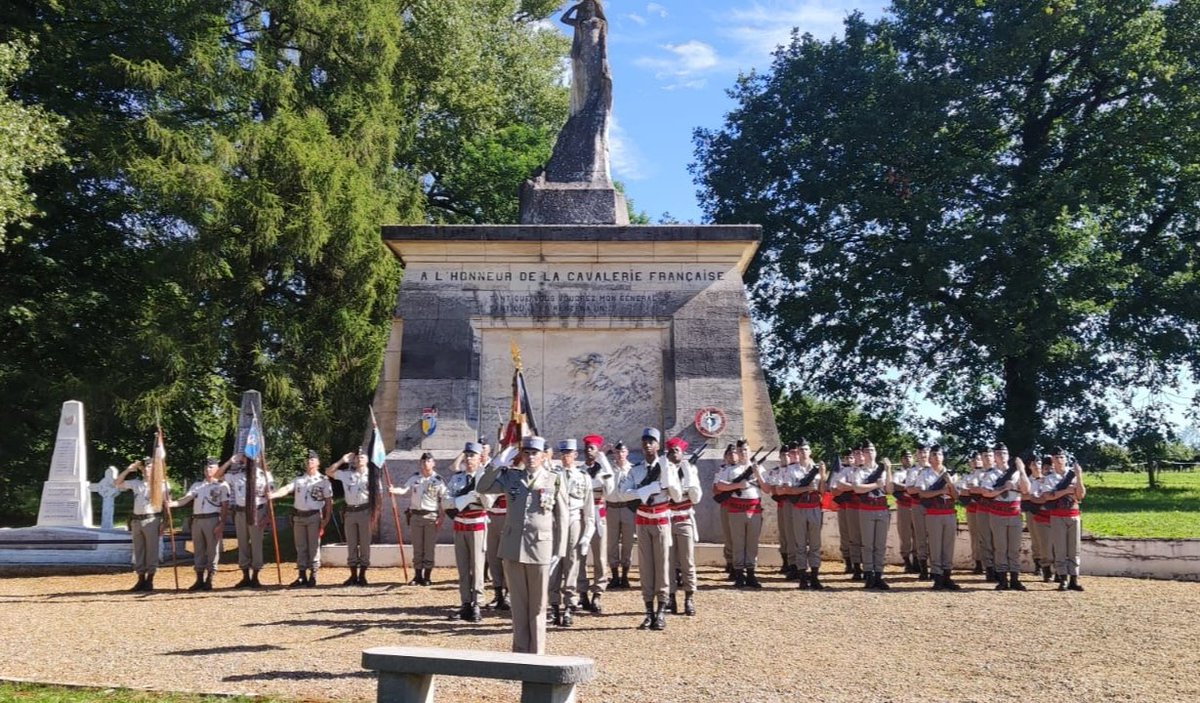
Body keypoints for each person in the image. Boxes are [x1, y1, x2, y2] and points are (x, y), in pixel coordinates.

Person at [476, 436, 569, 654]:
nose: (530, 457)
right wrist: (497, 462)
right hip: (513, 546)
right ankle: (519, 652)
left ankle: (537, 653)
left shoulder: (553, 479)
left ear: (543, 455)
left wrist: (560, 550)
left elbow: (562, 516)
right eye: (526, 453)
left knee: (537, 606)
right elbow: (482, 486)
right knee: (518, 605)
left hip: (541, 547)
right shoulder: (511, 477)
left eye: (534, 453)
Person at [615, 427, 681, 629]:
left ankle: (661, 610)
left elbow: (677, 497)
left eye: (651, 441)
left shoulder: (667, 467)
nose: (647, 444)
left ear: (658, 445)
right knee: (645, 568)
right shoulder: (636, 470)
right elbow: (623, 494)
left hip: (660, 519)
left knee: (662, 566)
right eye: (644, 441)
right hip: (643, 520)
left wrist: (668, 481)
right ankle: (648, 611)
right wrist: (645, 490)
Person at [269, 450, 333, 588]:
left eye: (312, 460)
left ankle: (313, 575)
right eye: (308, 460)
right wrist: (273, 495)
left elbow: (328, 501)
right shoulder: (299, 480)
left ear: (318, 463)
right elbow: (286, 489)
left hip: (314, 516)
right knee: (301, 546)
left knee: (313, 546)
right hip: (299, 517)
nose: (309, 462)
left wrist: (326, 518)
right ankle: (301, 575)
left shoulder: (323, 481)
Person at [548, 439, 594, 627]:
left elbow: (589, 509)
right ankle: (553, 606)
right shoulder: (553, 475)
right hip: (555, 521)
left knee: (572, 563)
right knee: (554, 564)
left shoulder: (583, 476)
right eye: (563, 453)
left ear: (575, 455)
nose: (565, 457)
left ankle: (569, 605)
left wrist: (587, 533)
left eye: (569, 453)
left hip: (574, 519)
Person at [444, 442, 491, 622]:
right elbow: (446, 502)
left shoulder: (484, 479)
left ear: (480, 458)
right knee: (463, 568)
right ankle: (465, 603)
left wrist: (479, 496)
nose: (470, 459)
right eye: (467, 455)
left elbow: (488, 503)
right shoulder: (457, 479)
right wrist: (463, 500)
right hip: (460, 525)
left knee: (478, 567)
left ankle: (477, 603)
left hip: (477, 525)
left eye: (473, 455)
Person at [169, 457, 229, 591]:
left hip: (212, 518)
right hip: (197, 520)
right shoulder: (197, 485)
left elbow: (225, 505)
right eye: (206, 468)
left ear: (217, 469)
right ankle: (199, 578)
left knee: (212, 549)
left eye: (211, 467)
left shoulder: (222, 486)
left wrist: (222, 523)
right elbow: (186, 499)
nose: (208, 470)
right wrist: (172, 504)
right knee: (198, 549)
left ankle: (210, 578)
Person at [216, 453, 274, 588]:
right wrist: (229, 461)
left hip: (257, 512)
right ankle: (245, 576)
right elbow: (217, 476)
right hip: (241, 512)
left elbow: (270, 497)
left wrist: (268, 516)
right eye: (248, 458)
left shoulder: (265, 476)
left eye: (254, 458)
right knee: (242, 544)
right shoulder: (236, 475)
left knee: (256, 544)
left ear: (259, 459)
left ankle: (256, 576)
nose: (251, 460)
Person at [715, 439, 766, 589]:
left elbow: (767, 489)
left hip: (754, 509)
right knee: (738, 543)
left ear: (749, 451)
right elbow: (719, 486)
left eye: (745, 450)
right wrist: (737, 485)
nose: (743, 453)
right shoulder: (730, 469)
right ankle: (738, 574)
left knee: (752, 543)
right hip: (736, 509)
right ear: (736, 452)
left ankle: (751, 573)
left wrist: (758, 474)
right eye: (740, 450)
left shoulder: (758, 468)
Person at [390, 451, 445, 587]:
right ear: (420, 463)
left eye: (428, 461)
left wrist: (441, 518)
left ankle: (427, 576)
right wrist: (393, 490)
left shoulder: (438, 480)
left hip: (431, 516)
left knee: (429, 547)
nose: (425, 464)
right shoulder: (415, 478)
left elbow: (444, 500)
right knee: (417, 547)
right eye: (423, 461)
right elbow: (404, 490)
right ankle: (417, 575)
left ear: (433, 463)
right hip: (416, 516)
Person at [115, 456, 170, 592]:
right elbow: (116, 483)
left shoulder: (162, 485)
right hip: (137, 520)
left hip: (152, 520)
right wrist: (129, 469)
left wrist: (166, 522)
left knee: (152, 550)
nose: (147, 470)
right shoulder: (136, 484)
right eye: (145, 467)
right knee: (138, 550)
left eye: (150, 467)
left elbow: (167, 504)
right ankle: (140, 579)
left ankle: (150, 579)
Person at [981, 444, 1030, 591]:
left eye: (1004, 452)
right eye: (998, 453)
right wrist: (1003, 488)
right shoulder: (990, 474)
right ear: (994, 456)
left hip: (1014, 512)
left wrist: (1021, 470)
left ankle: (1015, 578)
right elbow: (985, 492)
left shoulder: (1015, 473)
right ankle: (1002, 579)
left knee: (1014, 548)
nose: (1002, 455)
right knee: (1000, 547)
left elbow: (1027, 490)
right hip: (998, 513)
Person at [779, 438, 825, 589]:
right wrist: (806, 489)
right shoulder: (791, 470)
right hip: (799, 508)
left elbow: (823, 491)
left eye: (806, 449)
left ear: (810, 451)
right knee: (799, 544)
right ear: (797, 453)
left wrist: (823, 476)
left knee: (815, 544)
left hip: (814, 507)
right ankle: (802, 577)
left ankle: (815, 576)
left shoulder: (817, 469)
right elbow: (788, 490)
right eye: (801, 450)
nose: (803, 452)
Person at [326, 449, 375, 586]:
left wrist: (375, 514)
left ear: (367, 460)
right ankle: (353, 575)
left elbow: (378, 495)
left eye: (362, 457)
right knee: (351, 543)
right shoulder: (346, 475)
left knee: (365, 544)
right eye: (357, 457)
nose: (359, 459)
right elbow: (329, 472)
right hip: (350, 512)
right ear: (353, 460)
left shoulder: (372, 476)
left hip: (365, 511)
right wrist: (342, 460)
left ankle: (363, 575)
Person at [915, 445, 961, 590]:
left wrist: (950, 482)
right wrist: (940, 490)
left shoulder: (950, 474)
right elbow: (922, 494)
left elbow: (956, 496)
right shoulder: (924, 474)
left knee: (948, 545)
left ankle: (947, 575)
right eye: (934, 455)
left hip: (948, 511)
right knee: (935, 545)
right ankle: (937, 576)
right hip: (934, 512)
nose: (937, 457)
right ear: (929, 458)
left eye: (939, 454)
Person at [578, 434, 615, 613]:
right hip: (583, 516)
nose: (588, 452)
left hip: (598, 516)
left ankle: (598, 593)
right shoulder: (580, 470)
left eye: (592, 448)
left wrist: (604, 466)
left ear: (597, 451)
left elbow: (609, 489)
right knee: (580, 556)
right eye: (586, 448)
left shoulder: (603, 471)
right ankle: (582, 592)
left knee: (600, 557)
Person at [666, 437, 702, 614]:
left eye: (677, 451)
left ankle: (689, 598)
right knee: (669, 562)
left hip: (684, 519)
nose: (674, 454)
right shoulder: (664, 470)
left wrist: (687, 474)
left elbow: (695, 497)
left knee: (687, 562)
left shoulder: (690, 470)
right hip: (667, 520)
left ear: (682, 453)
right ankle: (671, 598)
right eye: (671, 451)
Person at [851, 441, 893, 590]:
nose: (870, 453)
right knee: (868, 544)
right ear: (863, 453)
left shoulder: (881, 470)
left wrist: (888, 471)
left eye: (872, 450)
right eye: (867, 451)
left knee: (880, 545)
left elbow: (889, 489)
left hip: (881, 507)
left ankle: (879, 575)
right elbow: (857, 488)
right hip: (867, 507)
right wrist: (875, 485)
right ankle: (869, 574)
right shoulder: (860, 471)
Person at [1045, 448, 1087, 592]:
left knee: (1074, 549)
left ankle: (1074, 579)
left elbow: (1081, 495)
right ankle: (1063, 578)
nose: (1059, 460)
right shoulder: (1050, 478)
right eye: (1056, 457)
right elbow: (1048, 496)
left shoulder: (1073, 475)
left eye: (1062, 457)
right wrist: (1066, 491)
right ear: (1052, 460)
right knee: (1060, 549)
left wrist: (1079, 476)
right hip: (1058, 515)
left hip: (1073, 514)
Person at [605, 441, 636, 589]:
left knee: (628, 542)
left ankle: (625, 575)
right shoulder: (609, 469)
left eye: (622, 452)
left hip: (627, 508)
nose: (619, 455)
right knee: (612, 543)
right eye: (617, 452)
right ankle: (614, 575)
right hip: (611, 508)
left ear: (627, 452)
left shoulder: (632, 469)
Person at [765, 442, 797, 579]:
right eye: (783, 455)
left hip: (796, 504)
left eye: (787, 454)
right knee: (784, 535)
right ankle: (786, 562)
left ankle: (795, 564)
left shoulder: (795, 470)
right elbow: (774, 489)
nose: (786, 457)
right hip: (783, 504)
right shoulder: (776, 471)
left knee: (794, 535)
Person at [830, 447, 863, 581]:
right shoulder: (843, 472)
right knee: (847, 535)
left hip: (863, 506)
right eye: (847, 457)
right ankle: (850, 562)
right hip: (846, 506)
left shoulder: (864, 470)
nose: (850, 459)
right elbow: (834, 489)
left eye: (852, 456)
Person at [905, 445, 933, 581]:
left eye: (926, 452)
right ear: (916, 455)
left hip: (935, 506)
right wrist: (924, 490)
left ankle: (935, 568)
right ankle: (923, 569)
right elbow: (910, 490)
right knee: (920, 537)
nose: (923, 454)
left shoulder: (935, 470)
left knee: (934, 538)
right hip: (919, 505)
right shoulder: (913, 471)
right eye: (920, 452)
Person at [1027, 456, 1055, 582]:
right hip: (1037, 513)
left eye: (1051, 468)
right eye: (1046, 468)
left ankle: (1059, 571)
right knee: (1039, 541)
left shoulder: (1058, 480)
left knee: (1056, 544)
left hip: (1055, 515)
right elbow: (1033, 497)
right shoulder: (1036, 481)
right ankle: (1043, 566)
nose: (1048, 470)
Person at [712, 443, 738, 578]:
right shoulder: (721, 471)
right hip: (727, 505)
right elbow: (716, 489)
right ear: (725, 457)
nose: (732, 456)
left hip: (740, 505)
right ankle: (730, 561)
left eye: (735, 453)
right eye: (729, 454)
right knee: (729, 535)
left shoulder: (743, 468)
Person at [894, 450, 919, 574]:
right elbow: (894, 485)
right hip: (904, 506)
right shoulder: (899, 473)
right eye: (905, 457)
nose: (908, 459)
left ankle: (916, 560)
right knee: (905, 535)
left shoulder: (918, 472)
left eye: (909, 457)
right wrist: (909, 487)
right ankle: (906, 561)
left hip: (917, 505)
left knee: (918, 534)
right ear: (901, 460)